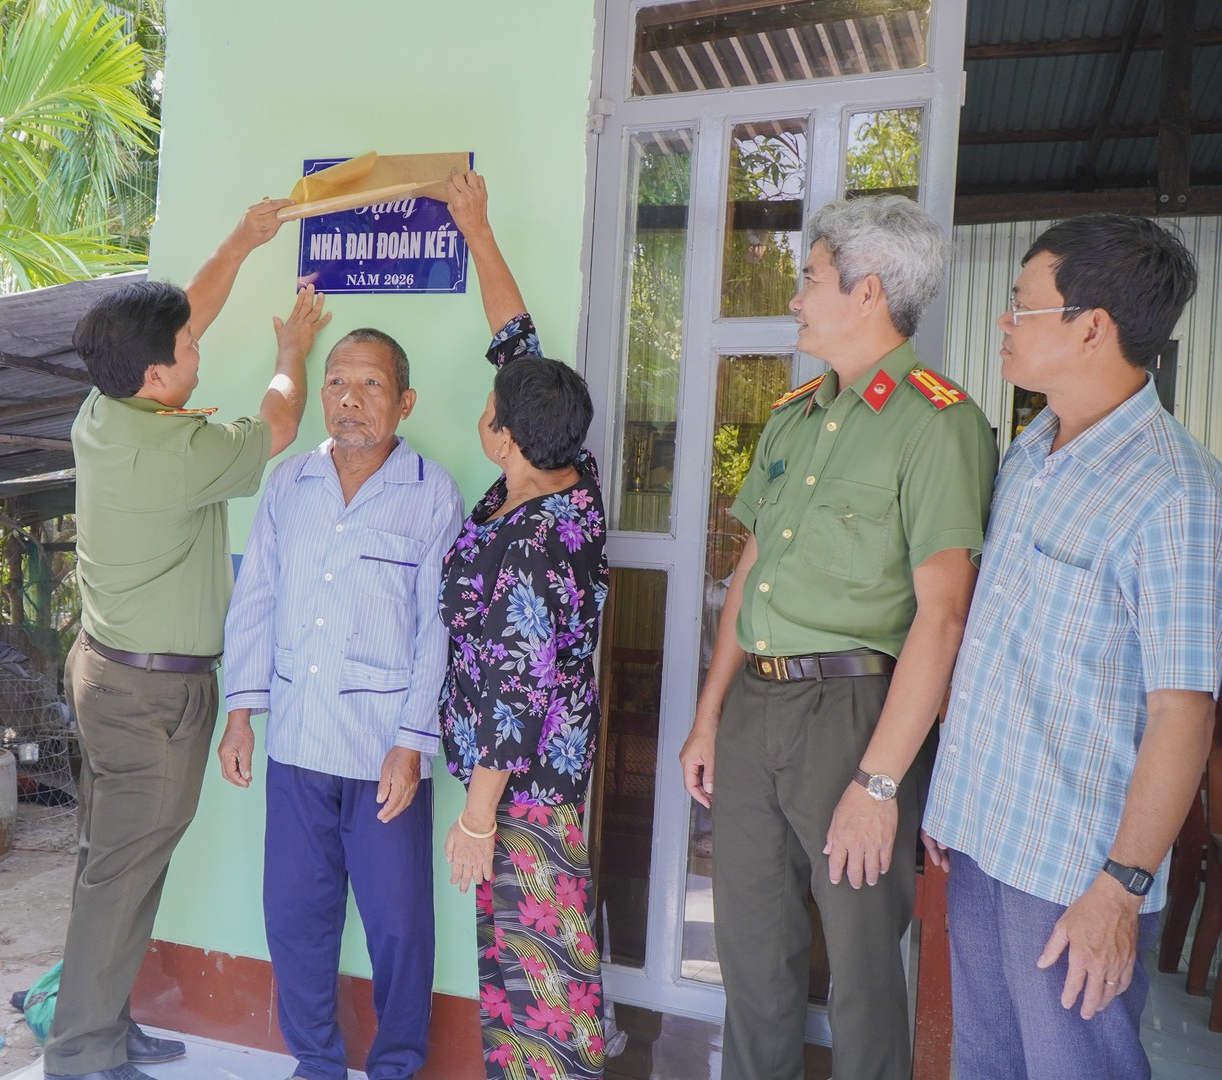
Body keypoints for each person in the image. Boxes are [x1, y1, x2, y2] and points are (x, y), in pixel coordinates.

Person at [677, 195, 998, 1079]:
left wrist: (881, 780)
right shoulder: (794, 416)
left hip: (855, 715)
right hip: (756, 709)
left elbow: (944, 617)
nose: (795, 298)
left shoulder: (941, 426)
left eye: (810, 278)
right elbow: (750, 571)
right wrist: (710, 716)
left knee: (860, 975)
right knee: (749, 955)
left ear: (867, 292)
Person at [922, 214, 1221, 1080]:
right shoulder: (1031, 450)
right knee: (985, 1063)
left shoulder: (1174, 493)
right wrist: (953, 797)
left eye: (1022, 308)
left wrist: (1120, 890)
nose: (1005, 326)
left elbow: (1182, 711)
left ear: (1092, 326)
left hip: (1071, 867)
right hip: (983, 835)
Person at [44, 200, 331, 1080]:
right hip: (153, 699)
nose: (201, 347)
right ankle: (83, 1052)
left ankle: (99, 1024)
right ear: (160, 377)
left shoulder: (106, 408)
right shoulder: (178, 454)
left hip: (106, 673)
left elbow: (186, 315)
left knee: (112, 864)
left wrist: (244, 239)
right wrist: (292, 354)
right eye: (191, 349)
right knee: (120, 877)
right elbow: (279, 426)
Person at [218, 327, 464, 1080]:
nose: (350, 402)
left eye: (371, 386)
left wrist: (413, 742)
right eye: (335, 384)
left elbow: (439, 629)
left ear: (405, 401)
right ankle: (316, 1065)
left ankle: (395, 1066)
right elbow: (255, 599)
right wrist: (240, 714)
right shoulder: (290, 485)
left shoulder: (432, 492)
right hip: (295, 742)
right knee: (296, 921)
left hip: (383, 750)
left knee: (397, 928)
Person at [441, 171, 610, 1080]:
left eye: (495, 406)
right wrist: (476, 227)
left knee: (537, 975)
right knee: (527, 969)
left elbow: (514, 690)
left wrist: (475, 817)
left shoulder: (532, 542)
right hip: (541, 778)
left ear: (503, 432)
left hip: (520, 788)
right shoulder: (564, 480)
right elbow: (518, 342)